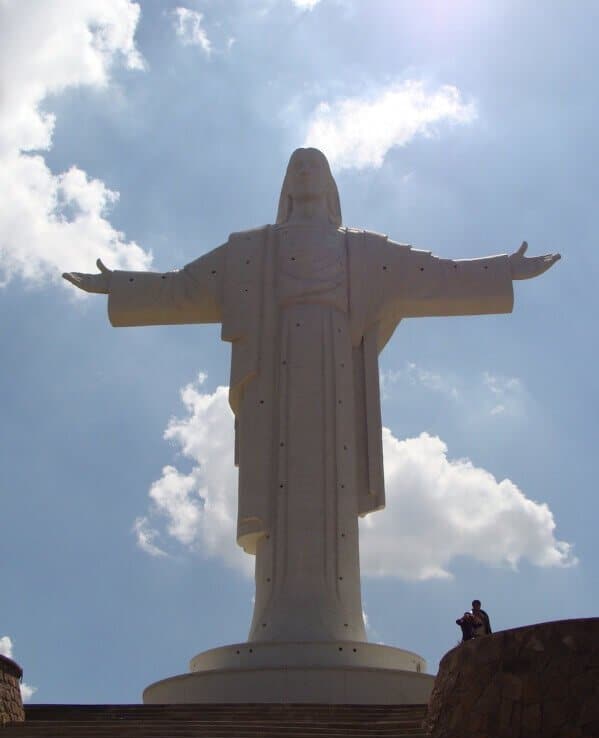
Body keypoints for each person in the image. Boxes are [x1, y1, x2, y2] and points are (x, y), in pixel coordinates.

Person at [63, 147, 559, 646]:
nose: (304, 172)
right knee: (279, 485)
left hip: (336, 372)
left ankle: (339, 621)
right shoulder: (252, 250)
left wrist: (501, 270)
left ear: (328, 183)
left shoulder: (363, 249)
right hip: (275, 376)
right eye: (296, 166)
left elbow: (435, 274)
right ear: (286, 183)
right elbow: (184, 286)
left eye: (313, 165)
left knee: (332, 481)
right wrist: (119, 285)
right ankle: (276, 620)